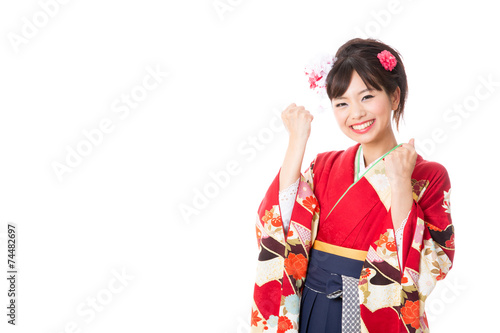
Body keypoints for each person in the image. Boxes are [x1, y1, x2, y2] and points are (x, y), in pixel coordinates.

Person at [250, 38, 455, 333]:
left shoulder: (428, 175)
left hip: (374, 309)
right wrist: (297, 142)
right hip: (314, 302)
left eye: (367, 96)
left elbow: (428, 262)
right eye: (342, 103)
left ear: (395, 97)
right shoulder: (324, 165)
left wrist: (399, 184)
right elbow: (280, 224)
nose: (355, 113)